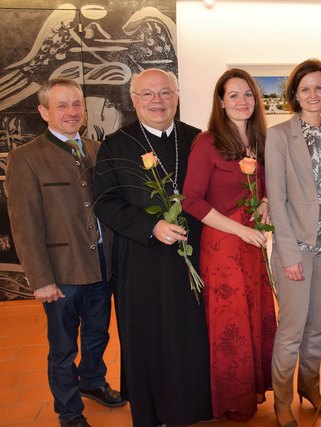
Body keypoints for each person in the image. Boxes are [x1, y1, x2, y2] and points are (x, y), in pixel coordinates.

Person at [92, 69, 212, 426]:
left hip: (192, 254)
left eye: (164, 93)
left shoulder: (197, 140)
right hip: (139, 257)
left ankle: (192, 406)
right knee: (147, 335)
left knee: (190, 331)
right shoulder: (116, 144)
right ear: (133, 100)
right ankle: (151, 411)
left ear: (176, 96)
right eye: (147, 94)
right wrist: (152, 226)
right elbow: (105, 200)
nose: (157, 101)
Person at [7, 78, 124, 427]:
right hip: (60, 273)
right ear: (44, 112)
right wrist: (41, 280)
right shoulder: (25, 158)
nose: (72, 112)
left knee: (97, 334)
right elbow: (24, 225)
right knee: (62, 350)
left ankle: (92, 381)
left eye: (76, 104)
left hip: (101, 266)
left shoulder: (96, 150)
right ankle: (69, 411)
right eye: (62, 105)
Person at [182, 68, 277, 422]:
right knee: (231, 323)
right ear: (221, 102)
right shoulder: (207, 143)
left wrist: (264, 205)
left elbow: (264, 190)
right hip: (222, 245)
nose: (242, 101)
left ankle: (251, 389)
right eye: (233, 95)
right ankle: (232, 400)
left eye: (248, 94)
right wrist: (239, 231)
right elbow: (192, 200)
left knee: (255, 315)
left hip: (252, 245)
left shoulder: (261, 141)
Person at [265, 59, 321, 427]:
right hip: (296, 248)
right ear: (294, 95)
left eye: (319, 87)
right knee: (292, 330)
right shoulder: (280, 135)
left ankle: (310, 387)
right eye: (305, 89)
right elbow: (276, 198)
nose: (313, 94)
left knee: (318, 326)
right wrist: (287, 254)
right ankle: (282, 401)